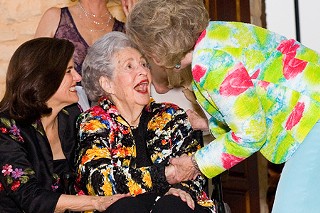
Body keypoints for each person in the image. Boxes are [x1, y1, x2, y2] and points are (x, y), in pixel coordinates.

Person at [125, 0, 320, 212]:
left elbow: (251, 135)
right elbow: (250, 101)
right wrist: (209, 123)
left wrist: (195, 163)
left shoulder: (209, 63)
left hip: (312, 122)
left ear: (157, 49)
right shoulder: (215, 34)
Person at [75, 31, 214, 213]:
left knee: (172, 206)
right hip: (124, 208)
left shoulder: (170, 115)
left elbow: (194, 167)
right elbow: (99, 180)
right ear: (107, 84)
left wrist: (181, 189)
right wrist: (166, 175)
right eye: (129, 66)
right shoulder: (94, 122)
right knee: (126, 208)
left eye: (143, 64)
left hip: (176, 206)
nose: (142, 71)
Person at [0, 37, 129, 213]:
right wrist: (96, 202)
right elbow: (30, 198)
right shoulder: (6, 128)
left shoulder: (72, 115)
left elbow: (101, 167)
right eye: (69, 71)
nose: (78, 77)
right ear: (43, 78)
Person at [35, 0, 137, 110]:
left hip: (107, 122)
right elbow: (34, 75)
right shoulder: (55, 17)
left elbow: (145, 76)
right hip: (61, 118)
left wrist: (136, 23)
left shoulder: (125, 31)